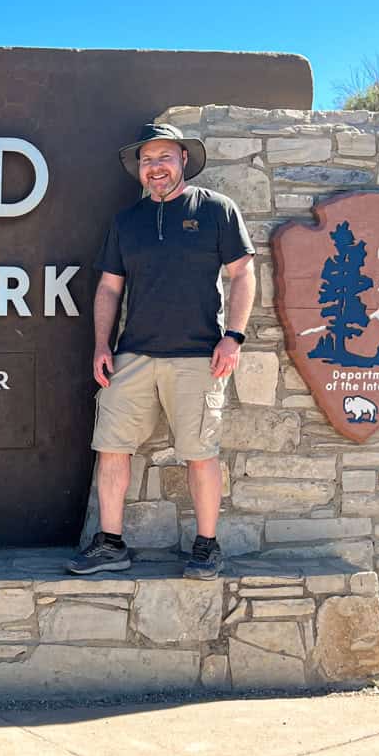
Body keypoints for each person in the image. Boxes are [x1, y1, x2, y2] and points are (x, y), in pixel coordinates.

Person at [67, 123, 256, 579]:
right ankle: (111, 544)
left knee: (200, 451)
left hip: (198, 357)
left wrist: (234, 336)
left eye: (164, 158)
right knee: (111, 447)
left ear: (183, 160)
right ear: (139, 168)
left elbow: (243, 275)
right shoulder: (126, 222)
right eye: (148, 160)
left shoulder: (216, 210)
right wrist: (101, 345)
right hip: (133, 356)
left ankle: (207, 546)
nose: (156, 168)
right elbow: (110, 288)